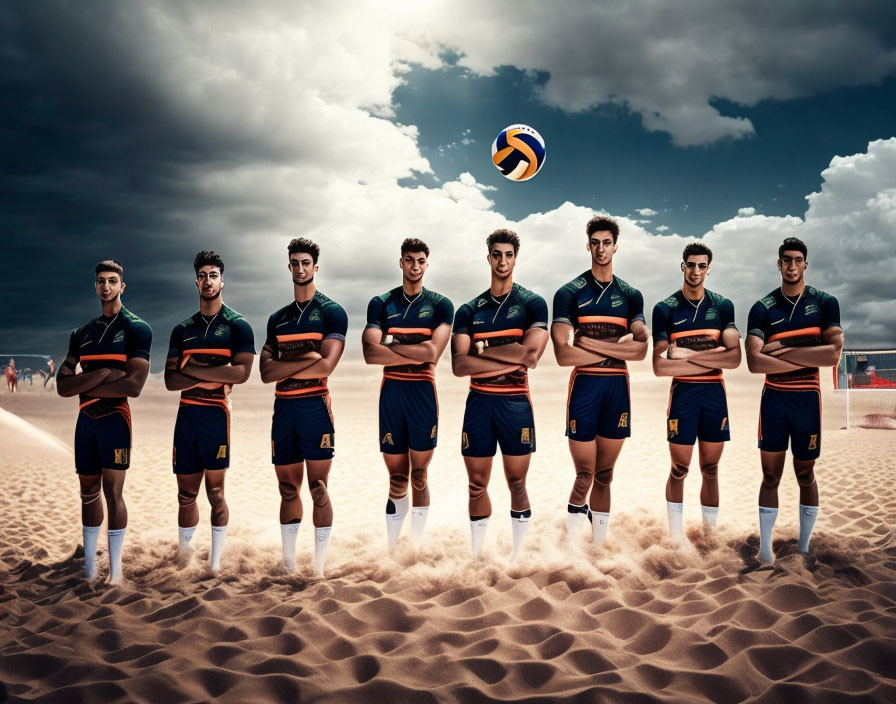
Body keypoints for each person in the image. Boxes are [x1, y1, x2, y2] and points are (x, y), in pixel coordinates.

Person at [451, 229, 549, 559]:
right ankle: (479, 557)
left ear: (515, 258)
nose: (502, 261)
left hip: (515, 403)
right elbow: (460, 366)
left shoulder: (532, 304)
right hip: (479, 403)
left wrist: (483, 348)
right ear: (488, 257)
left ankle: (517, 558)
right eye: (496, 254)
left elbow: (530, 357)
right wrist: (509, 352)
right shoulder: (468, 310)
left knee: (516, 483)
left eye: (508, 255)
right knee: (476, 484)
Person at [551, 216, 648, 548]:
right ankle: (571, 547)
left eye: (607, 242)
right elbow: (564, 354)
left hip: (617, 389)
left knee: (605, 475)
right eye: (596, 242)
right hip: (585, 389)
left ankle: (598, 546)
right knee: (585, 475)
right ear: (588, 245)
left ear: (615, 246)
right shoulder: (569, 293)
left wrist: (587, 344)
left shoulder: (631, 295)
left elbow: (640, 349)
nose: (601, 248)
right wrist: (613, 349)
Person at [746, 237, 843, 563]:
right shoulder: (762, 308)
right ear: (778, 264)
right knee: (770, 475)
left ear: (805, 264)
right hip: (774, 400)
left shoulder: (825, 302)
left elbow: (833, 354)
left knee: (805, 474)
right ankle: (765, 550)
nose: (791, 265)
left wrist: (780, 350)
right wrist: (807, 356)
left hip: (807, 401)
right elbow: (755, 362)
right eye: (785, 260)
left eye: (797, 260)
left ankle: (803, 546)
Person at [56, 260, 152, 583]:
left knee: (113, 492)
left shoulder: (137, 329)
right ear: (95, 286)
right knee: (87, 493)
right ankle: (89, 568)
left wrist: (83, 382)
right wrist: (101, 374)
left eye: (113, 281)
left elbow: (133, 386)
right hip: (86, 420)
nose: (107, 287)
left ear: (122, 286)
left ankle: (116, 571)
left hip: (115, 419)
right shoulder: (81, 334)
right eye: (101, 281)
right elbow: (61, 386)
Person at [260, 238, 347, 576]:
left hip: (314, 407)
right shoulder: (277, 319)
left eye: (305, 263)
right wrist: (307, 356)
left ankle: (319, 566)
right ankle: (289, 564)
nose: (300, 268)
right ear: (289, 267)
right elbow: (266, 373)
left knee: (318, 488)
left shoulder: (331, 312)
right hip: (283, 411)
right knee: (287, 489)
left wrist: (288, 360)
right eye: (294, 263)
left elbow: (326, 366)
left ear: (315, 267)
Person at [164, 251, 256, 570]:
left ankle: (214, 563)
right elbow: (171, 380)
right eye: (202, 275)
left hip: (216, 415)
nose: (208, 281)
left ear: (222, 280)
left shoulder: (237, 326)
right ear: (196, 281)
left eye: (213, 274)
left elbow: (241, 374)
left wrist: (195, 369)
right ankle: (184, 556)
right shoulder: (182, 330)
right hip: (186, 415)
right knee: (185, 495)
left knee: (215, 493)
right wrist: (217, 369)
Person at [362, 238, 453, 550]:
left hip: (422, 394)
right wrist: (413, 352)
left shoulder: (441, 305)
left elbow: (433, 352)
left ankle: (415, 546)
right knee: (397, 479)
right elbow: (370, 354)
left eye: (421, 261)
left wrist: (391, 346)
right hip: (392, 394)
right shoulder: (381, 303)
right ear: (400, 262)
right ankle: (391, 548)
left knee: (419, 476)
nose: (415, 266)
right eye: (409, 260)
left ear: (427, 264)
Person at [651, 243, 741, 541]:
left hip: (714, 394)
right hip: (683, 396)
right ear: (682, 266)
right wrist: (712, 354)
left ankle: (709, 536)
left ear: (708, 268)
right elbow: (661, 367)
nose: (696, 271)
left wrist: (686, 354)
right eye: (691, 265)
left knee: (711, 469)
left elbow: (734, 358)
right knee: (679, 468)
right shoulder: (665, 309)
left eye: (702, 266)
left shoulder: (723, 306)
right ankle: (676, 538)